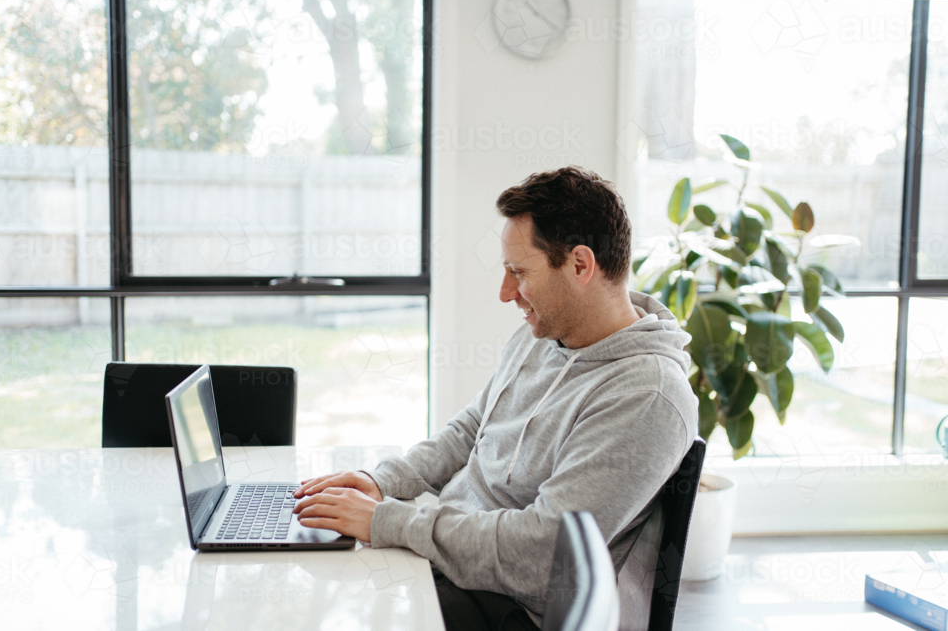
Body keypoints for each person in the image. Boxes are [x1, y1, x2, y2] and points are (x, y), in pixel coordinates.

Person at [294, 165, 699, 631]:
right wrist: (383, 483)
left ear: (580, 265)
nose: (506, 293)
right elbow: (471, 430)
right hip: (452, 561)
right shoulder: (544, 334)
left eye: (518, 272)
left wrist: (388, 521)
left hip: (513, 610)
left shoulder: (647, 396)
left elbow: (544, 552)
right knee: (310, 573)